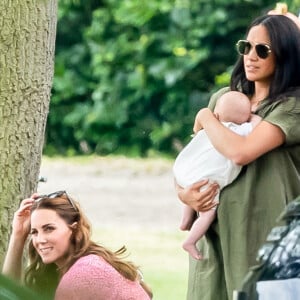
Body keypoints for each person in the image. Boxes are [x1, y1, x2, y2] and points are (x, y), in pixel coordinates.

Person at [175, 13, 300, 300]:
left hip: (265, 237)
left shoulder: (292, 106)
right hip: (215, 236)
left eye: (262, 50)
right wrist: (185, 195)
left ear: (286, 55)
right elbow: (197, 157)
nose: (250, 56)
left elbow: (241, 152)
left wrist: (206, 117)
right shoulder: (226, 98)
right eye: (247, 46)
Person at [2, 191, 152, 300]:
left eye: (49, 229)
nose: (40, 239)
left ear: (74, 229)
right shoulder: (76, 266)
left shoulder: (83, 274)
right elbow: (11, 294)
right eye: (34, 232)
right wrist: (19, 234)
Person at [173, 91, 261, 260]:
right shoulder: (239, 130)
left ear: (216, 114)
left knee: (193, 188)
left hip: (183, 171)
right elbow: (257, 125)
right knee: (208, 212)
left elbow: (196, 131)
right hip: (206, 179)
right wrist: (252, 117)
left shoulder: (209, 128)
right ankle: (190, 241)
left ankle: (185, 219)